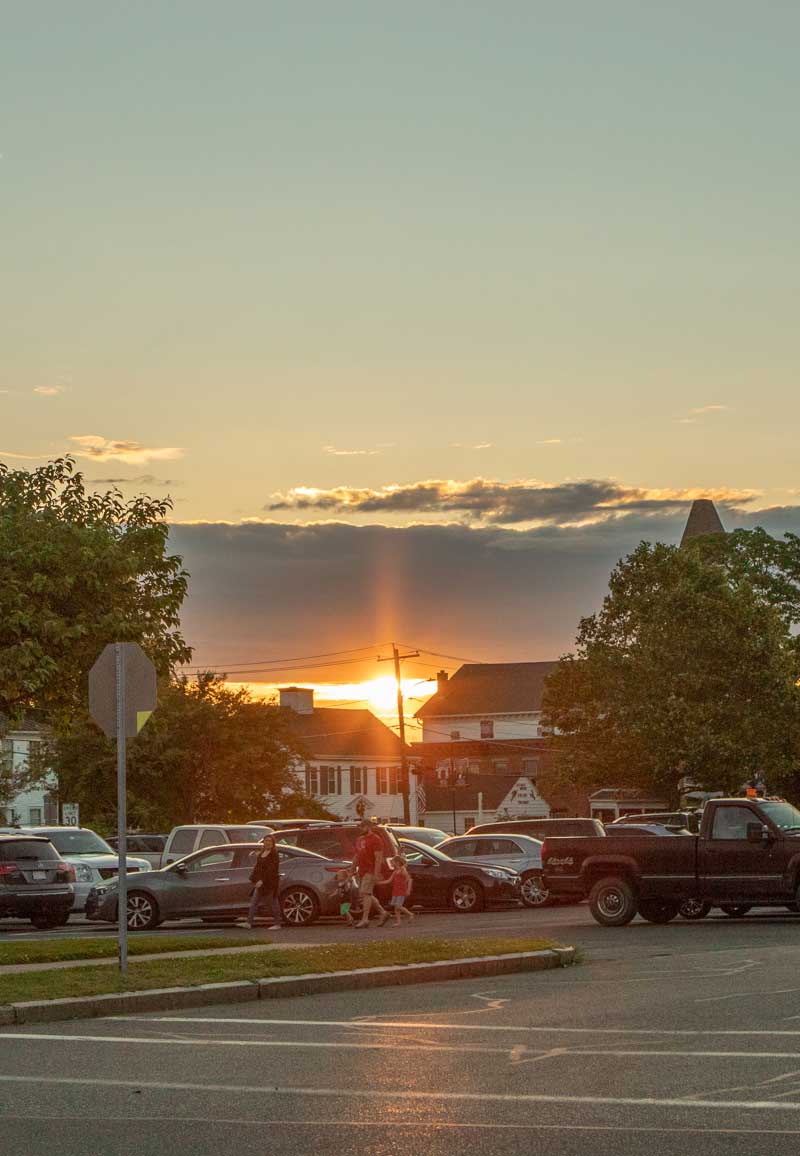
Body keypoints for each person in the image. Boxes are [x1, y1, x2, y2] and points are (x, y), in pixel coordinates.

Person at [353, 819, 388, 929]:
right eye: (360, 827)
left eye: (362, 827)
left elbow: (378, 858)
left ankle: (365, 919)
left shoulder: (376, 840)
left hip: (370, 870)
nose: (361, 829)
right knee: (367, 894)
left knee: (365, 893)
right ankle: (383, 913)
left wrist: (377, 873)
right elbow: (357, 855)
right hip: (362, 870)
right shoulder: (359, 839)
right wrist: (352, 867)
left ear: (369, 826)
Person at [248, 834, 283, 929]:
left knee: (272, 902)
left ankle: (277, 924)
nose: (267, 842)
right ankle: (248, 923)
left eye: (269, 841)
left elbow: (271, 870)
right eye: (266, 840)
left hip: (270, 883)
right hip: (259, 882)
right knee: (254, 902)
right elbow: (258, 868)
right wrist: (254, 879)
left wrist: (262, 881)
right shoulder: (262, 853)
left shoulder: (274, 854)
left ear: (273, 843)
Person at [388, 855, 415, 926]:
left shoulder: (403, 869)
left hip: (401, 890)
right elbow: (389, 880)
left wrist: (408, 890)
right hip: (395, 891)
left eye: (392, 862)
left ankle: (410, 914)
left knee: (398, 906)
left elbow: (409, 879)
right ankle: (398, 922)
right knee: (396, 907)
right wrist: (378, 882)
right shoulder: (395, 871)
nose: (391, 864)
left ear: (397, 862)